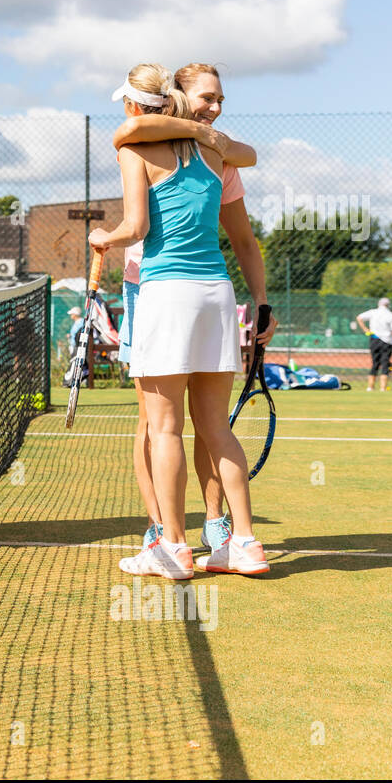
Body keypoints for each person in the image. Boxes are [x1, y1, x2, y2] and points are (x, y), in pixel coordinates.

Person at [89, 62, 268, 580]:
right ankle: (244, 542)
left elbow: (136, 226)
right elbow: (248, 154)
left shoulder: (135, 149)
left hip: (164, 294)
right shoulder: (217, 153)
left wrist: (106, 239)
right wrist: (206, 132)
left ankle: (172, 546)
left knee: (163, 428)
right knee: (215, 426)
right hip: (217, 294)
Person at [355, 298, 392, 391]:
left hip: (374, 340)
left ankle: (370, 387)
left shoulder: (373, 312)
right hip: (387, 341)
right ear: (388, 305)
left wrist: (365, 329)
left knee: (375, 363)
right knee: (385, 363)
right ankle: (383, 388)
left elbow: (359, 318)